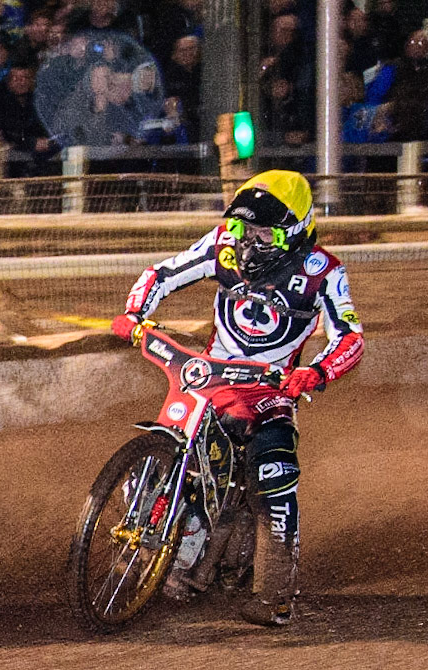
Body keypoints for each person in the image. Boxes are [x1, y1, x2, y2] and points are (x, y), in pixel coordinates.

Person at [112, 171, 363, 627]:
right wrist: (135, 313)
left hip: (271, 387)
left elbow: (350, 337)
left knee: (274, 471)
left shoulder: (323, 272)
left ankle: (276, 594)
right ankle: (157, 536)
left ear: (294, 230)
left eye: (262, 231)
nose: (248, 240)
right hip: (209, 374)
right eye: (246, 228)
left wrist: (316, 372)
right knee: (165, 442)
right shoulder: (224, 241)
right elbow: (163, 273)